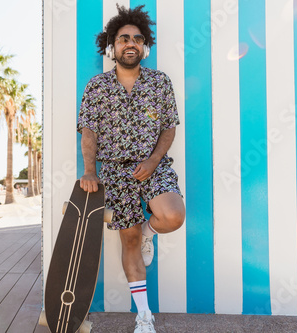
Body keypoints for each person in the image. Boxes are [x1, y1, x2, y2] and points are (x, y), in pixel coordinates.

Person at [77, 5, 185, 333]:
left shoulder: (159, 82)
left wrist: (153, 161)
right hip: (115, 172)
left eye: (138, 38)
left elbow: (168, 127)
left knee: (172, 216)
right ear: (112, 46)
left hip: (154, 166)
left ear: (145, 47)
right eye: (124, 38)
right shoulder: (96, 87)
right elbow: (89, 132)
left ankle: (150, 231)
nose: (131, 43)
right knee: (129, 240)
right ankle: (144, 317)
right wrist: (90, 171)